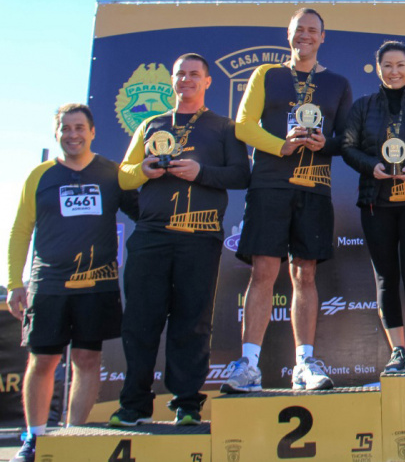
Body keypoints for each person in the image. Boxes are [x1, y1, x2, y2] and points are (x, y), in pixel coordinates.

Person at [110, 53, 250, 427]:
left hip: (200, 236)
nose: (186, 80)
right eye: (180, 74)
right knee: (140, 322)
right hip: (152, 234)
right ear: (172, 81)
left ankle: (187, 403)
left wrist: (201, 171)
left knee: (193, 322)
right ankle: (134, 405)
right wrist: (143, 170)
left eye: (194, 75)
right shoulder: (150, 125)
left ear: (207, 82)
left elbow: (241, 175)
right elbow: (123, 177)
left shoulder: (224, 127)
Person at [225, 8, 352, 392]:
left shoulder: (338, 83)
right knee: (263, 271)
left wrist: (322, 143)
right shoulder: (266, 74)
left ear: (323, 37)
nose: (306, 36)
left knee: (305, 274)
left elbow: (345, 140)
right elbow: (244, 126)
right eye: (300, 30)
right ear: (289, 34)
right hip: (270, 184)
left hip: (314, 187)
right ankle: (248, 365)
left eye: (313, 31)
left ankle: (304, 365)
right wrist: (281, 146)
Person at [7, 104, 137, 462]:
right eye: (65, 128)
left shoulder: (112, 172)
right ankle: (35, 438)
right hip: (48, 284)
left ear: (93, 132)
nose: (73, 134)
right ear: (57, 134)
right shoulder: (39, 175)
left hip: (97, 284)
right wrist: (14, 282)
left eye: (79, 127)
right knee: (43, 361)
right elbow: (21, 230)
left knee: (86, 358)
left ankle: (73, 434)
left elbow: (145, 208)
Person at [342, 41, 405, 372]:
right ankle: (397, 351)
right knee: (386, 276)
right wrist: (369, 165)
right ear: (378, 69)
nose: (395, 71)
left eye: (400, 65)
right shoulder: (362, 107)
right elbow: (347, 146)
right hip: (376, 202)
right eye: (387, 65)